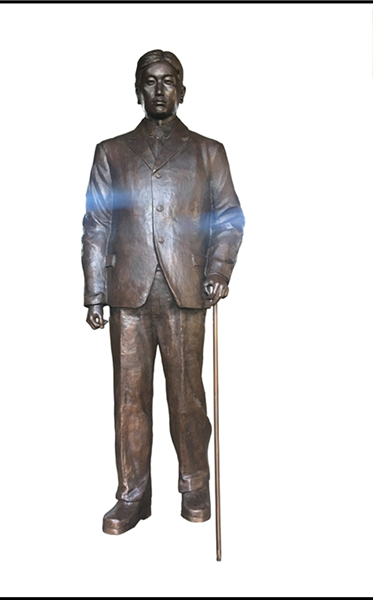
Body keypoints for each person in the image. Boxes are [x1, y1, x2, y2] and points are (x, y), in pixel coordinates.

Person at [82, 49, 245, 535]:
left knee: (187, 397)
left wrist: (219, 269)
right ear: (138, 91)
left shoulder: (207, 152)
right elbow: (97, 224)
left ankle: (194, 482)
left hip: (185, 290)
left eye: (168, 81)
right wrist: (95, 291)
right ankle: (132, 493)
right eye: (150, 82)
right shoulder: (111, 152)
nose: (159, 90)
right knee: (129, 400)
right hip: (127, 293)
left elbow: (228, 218)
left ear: (182, 91)